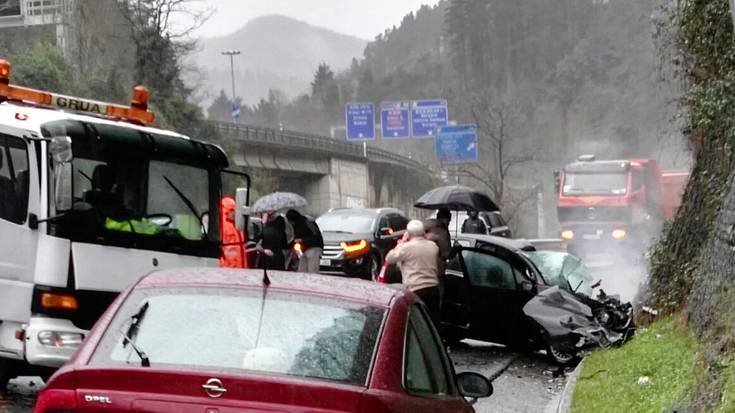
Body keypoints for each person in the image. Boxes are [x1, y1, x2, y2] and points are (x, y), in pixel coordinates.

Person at [385, 220, 440, 326]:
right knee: (432, 323)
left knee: (417, 324)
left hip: (415, 290)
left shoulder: (406, 248)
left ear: (408, 233)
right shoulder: (433, 246)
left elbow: (389, 258)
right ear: (423, 232)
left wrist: (401, 243)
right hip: (433, 289)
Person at [286, 209, 324, 273]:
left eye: (289, 221)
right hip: (303, 250)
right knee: (301, 271)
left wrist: (302, 240)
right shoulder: (296, 225)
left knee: (312, 271)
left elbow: (316, 237)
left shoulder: (308, 222)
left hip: (314, 248)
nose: (290, 223)